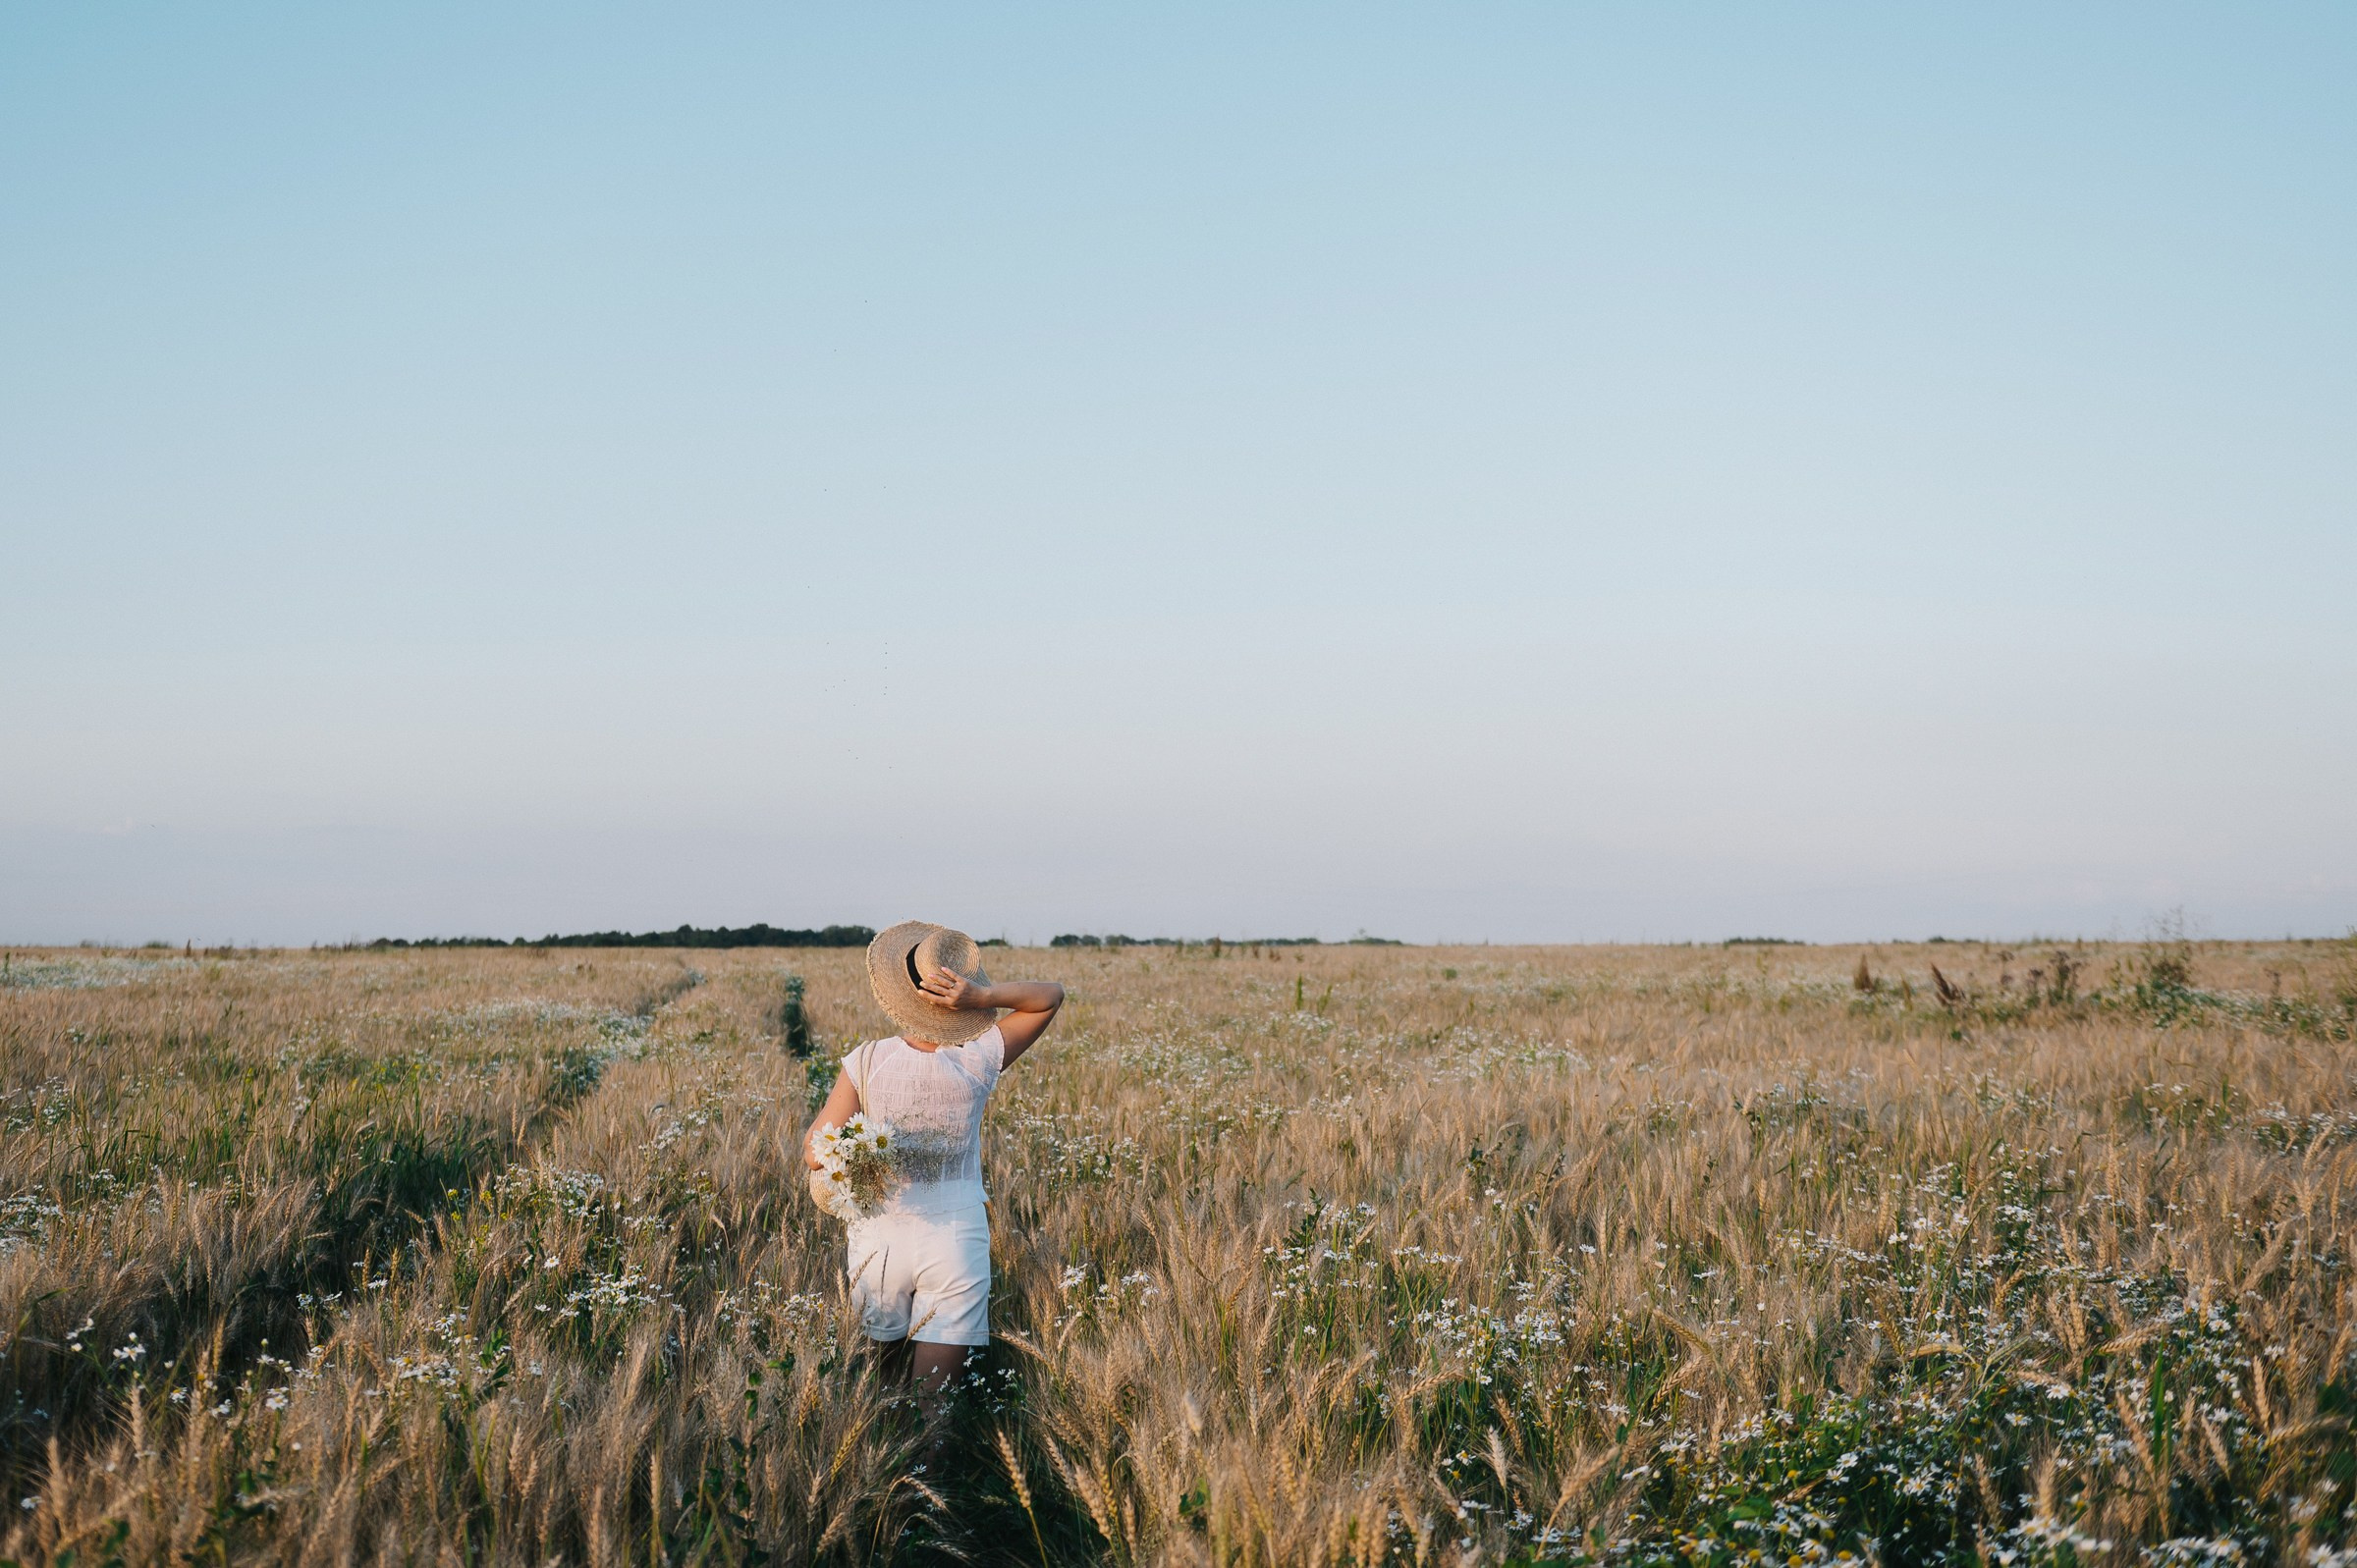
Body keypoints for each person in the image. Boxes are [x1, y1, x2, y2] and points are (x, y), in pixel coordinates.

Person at [804, 921, 1064, 1401]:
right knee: (935, 1409)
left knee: (876, 1400)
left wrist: (863, 1150)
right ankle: (932, 1454)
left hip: (879, 1241)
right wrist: (982, 997)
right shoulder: (979, 1057)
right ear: (959, 994)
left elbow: (815, 1153)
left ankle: (884, 1452)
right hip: (956, 1240)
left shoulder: (866, 1060)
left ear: (899, 991)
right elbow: (1050, 996)